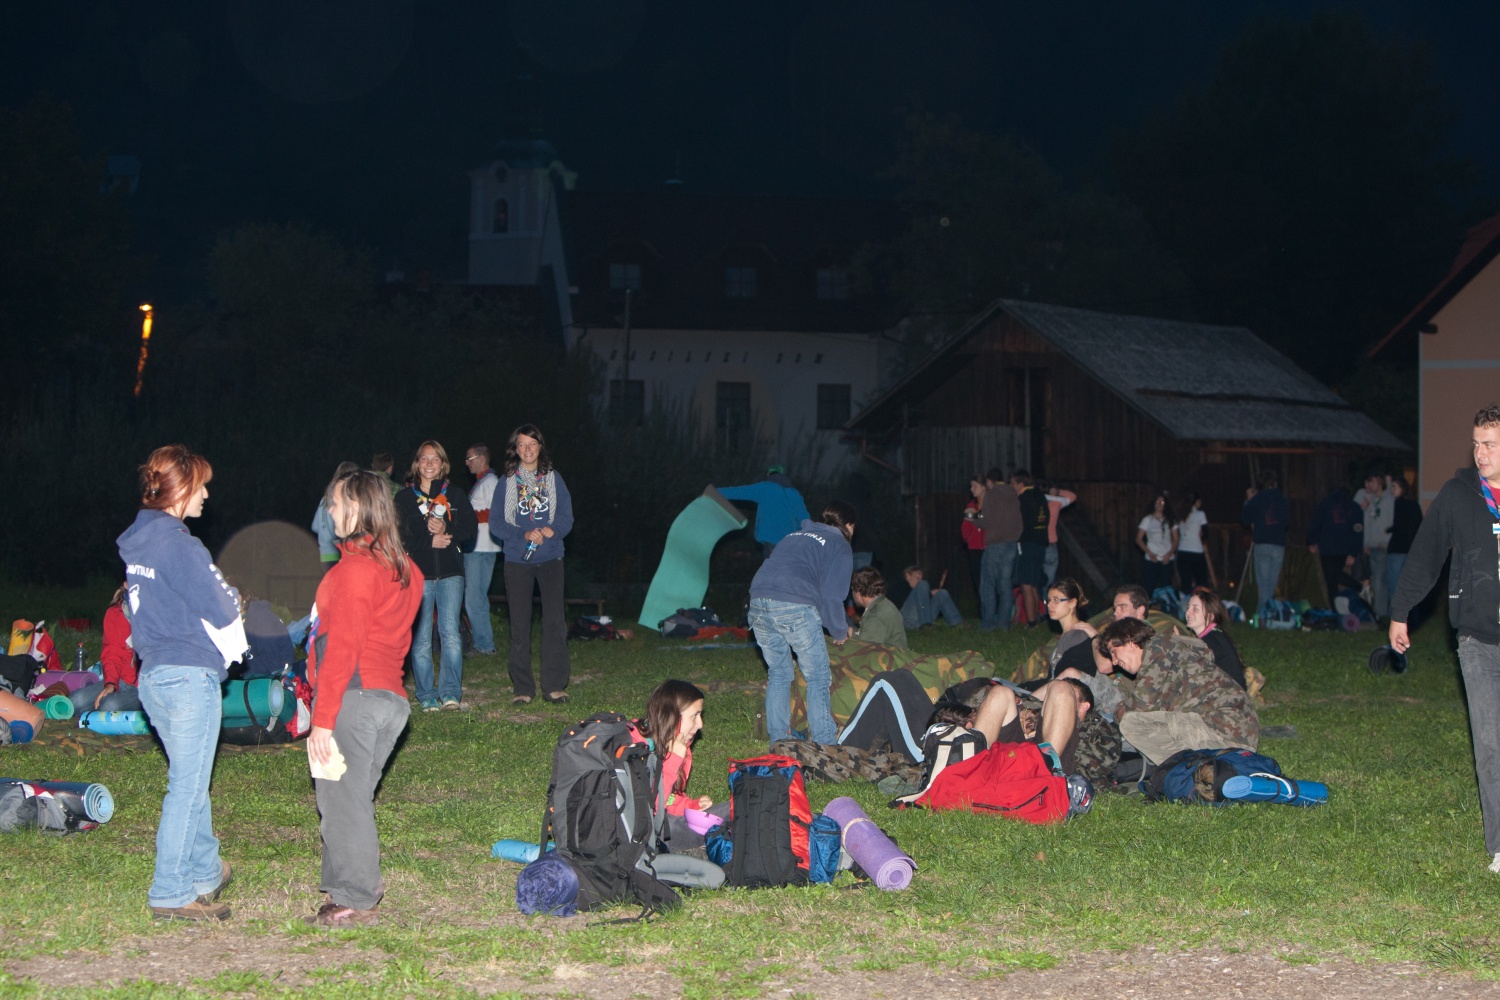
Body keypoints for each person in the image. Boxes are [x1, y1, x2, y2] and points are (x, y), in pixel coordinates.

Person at [118, 444, 246, 921]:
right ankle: (171, 891)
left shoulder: (140, 542)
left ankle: (206, 870)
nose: (207, 494)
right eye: (202, 485)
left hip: (154, 675)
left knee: (189, 779)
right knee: (187, 787)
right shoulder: (180, 544)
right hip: (189, 676)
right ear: (182, 490)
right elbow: (222, 607)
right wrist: (232, 597)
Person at [304, 468, 425, 927]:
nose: (329, 511)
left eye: (333, 503)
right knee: (345, 798)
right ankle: (340, 888)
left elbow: (344, 646)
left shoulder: (355, 569)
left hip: (353, 695)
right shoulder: (404, 568)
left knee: (344, 799)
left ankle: (353, 897)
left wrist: (323, 716)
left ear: (355, 507)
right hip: (388, 698)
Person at [1390, 403, 1500, 874]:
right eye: (1476, 443)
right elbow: (1425, 554)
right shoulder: (1458, 495)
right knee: (1490, 742)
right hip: (1477, 639)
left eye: (1490, 444)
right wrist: (1400, 613)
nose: (1480, 453)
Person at [748, 500, 857, 745]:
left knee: (779, 672)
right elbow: (831, 596)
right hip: (792, 604)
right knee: (817, 676)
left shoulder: (794, 535)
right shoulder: (840, 544)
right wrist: (840, 630)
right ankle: (825, 742)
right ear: (848, 525)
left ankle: (779, 740)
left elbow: (810, 587)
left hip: (758, 599)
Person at [1097, 616, 1259, 765]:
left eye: (1114, 652)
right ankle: (1190, 767)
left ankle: (1184, 769)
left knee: (1132, 723)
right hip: (1234, 733)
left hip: (1224, 733)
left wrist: (1119, 711)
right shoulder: (1169, 650)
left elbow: (1140, 708)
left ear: (1129, 640)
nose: (1114, 661)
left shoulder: (1158, 649)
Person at [490, 424, 575, 705]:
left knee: (554, 622)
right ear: (515, 449)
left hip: (550, 558)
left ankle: (554, 685)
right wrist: (522, 533)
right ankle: (523, 688)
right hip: (517, 560)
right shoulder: (507, 481)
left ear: (540, 446)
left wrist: (554, 529)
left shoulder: (554, 478)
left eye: (532, 444)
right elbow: (496, 523)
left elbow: (566, 516)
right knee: (520, 624)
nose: (527, 449)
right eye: (522, 445)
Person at [395, 441, 477, 712]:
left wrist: (447, 527)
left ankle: (451, 692)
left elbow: (470, 530)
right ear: (417, 464)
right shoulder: (404, 499)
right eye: (424, 459)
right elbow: (399, 537)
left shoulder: (454, 493)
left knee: (450, 632)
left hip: (451, 573)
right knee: (420, 637)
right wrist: (428, 543)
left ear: (443, 464)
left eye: (435, 459)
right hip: (419, 574)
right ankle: (426, 694)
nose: (429, 464)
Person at [68, 585, 143, 714]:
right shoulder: (115, 612)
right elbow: (112, 653)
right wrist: (111, 684)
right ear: (125, 583)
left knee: (110, 707)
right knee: (75, 701)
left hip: (144, 686)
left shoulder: (154, 610)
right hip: (122, 680)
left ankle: (145, 708)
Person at [719, 466, 812, 557]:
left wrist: (716, 491)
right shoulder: (794, 494)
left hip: (771, 540)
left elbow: (739, 492)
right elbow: (804, 520)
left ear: (768, 475)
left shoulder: (765, 488)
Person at [462, 443, 501, 657]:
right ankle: (484, 643)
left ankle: (484, 645)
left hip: (481, 546)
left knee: (473, 597)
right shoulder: (483, 483)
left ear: (481, 458)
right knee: (478, 596)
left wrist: (463, 517)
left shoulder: (491, 481)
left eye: (470, 458)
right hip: (481, 545)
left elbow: (495, 513)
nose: (466, 463)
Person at [975, 467, 1022, 631]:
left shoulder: (992, 494)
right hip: (1011, 545)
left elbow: (985, 521)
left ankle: (988, 625)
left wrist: (972, 518)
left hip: (995, 544)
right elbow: (1019, 522)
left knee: (987, 585)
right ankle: (1004, 625)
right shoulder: (1012, 493)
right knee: (1005, 586)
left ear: (989, 481)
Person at [1241, 470, 1290, 619]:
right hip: (1278, 544)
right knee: (1272, 580)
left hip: (1263, 543)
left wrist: (1248, 501)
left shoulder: (1258, 499)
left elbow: (1244, 519)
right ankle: (1268, 611)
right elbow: (1286, 522)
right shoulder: (1282, 500)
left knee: (1263, 581)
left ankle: (1263, 613)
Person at [1307, 484, 1365, 608]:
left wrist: (1312, 541)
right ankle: (1354, 591)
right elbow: (1358, 531)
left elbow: (1316, 523)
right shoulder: (1353, 507)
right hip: (1344, 548)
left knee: (1331, 580)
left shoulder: (1326, 504)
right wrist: (1354, 552)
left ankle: (1338, 607)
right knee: (1334, 576)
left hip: (1327, 548)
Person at [1182, 587, 1247, 689]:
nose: (1188, 613)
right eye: (1188, 607)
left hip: (1230, 698)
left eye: (1195, 609)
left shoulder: (1211, 640)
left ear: (1210, 616)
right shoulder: (1214, 634)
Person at [1355, 472, 1395, 620]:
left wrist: (1388, 482)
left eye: (1371, 482)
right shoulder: (1370, 500)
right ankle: (1378, 611)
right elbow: (1366, 521)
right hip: (1371, 547)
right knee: (1374, 580)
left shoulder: (1387, 500)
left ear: (1379, 483)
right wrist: (1365, 543)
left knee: (1380, 580)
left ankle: (1381, 613)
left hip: (1383, 546)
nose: (1368, 485)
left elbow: (1391, 496)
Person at [1012, 470, 1049, 627]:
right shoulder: (1040, 496)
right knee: (1034, 582)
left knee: (1026, 583)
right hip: (1041, 543)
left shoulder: (1022, 499)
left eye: (1013, 484)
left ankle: (1031, 622)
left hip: (1027, 543)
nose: (1012, 487)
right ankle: (1037, 617)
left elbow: (1018, 523)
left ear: (1020, 484)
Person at [311, 463, 359, 574]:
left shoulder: (324, 499)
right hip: (338, 553)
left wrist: (324, 532)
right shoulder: (341, 499)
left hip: (324, 555)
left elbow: (314, 526)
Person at [1386, 476, 1423, 614]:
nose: (1391, 490)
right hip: (1409, 550)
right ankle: (1411, 615)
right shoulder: (1413, 505)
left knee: (1395, 585)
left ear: (1402, 489)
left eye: (1394, 487)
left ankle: (1396, 616)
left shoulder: (1398, 504)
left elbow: (1399, 525)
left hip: (1399, 549)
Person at [851, 566, 907, 648]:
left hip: (888, 659)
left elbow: (865, 651)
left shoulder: (876, 616)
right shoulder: (883, 603)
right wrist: (851, 632)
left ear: (858, 592)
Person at [1136, 492, 1178, 595]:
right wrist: (1149, 553)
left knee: (1166, 588)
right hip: (1152, 559)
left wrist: (1169, 554)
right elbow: (1138, 539)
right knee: (1149, 587)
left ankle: (1166, 609)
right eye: (1157, 501)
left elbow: (1176, 539)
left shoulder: (1170, 520)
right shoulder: (1148, 519)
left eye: (1162, 502)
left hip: (1166, 559)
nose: (1159, 504)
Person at [897, 566, 963, 631]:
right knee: (923, 584)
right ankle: (926, 624)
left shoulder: (920, 588)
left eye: (921, 575)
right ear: (908, 575)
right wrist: (930, 593)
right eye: (917, 574)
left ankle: (956, 623)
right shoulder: (901, 584)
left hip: (919, 621)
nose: (920, 577)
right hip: (907, 620)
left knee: (942, 593)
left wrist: (932, 594)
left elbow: (922, 600)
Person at [1041, 483, 1077, 588]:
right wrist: (1059, 492)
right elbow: (1072, 496)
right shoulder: (1057, 503)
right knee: (1049, 582)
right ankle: (1046, 602)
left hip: (1038, 544)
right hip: (1050, 544)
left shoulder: (1039, 502)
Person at [1176, 493, 1211, 593]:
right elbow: (1206, 533)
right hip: (1196, 552)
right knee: (1201, 581)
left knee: (1186, 583)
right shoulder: (1200, 514)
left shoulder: (1181, 514)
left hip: (1183, 552)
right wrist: (1202, 538)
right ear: (1196, 502)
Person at [961, 477, 986, 603]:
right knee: (978, 580)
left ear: (983, 487)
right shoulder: (971, 505)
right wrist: (967, 538)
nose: (971, 489)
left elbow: (987, 521)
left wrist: (975, 516)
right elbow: (966, 524)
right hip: (974, 548)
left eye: (974, 486)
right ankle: (983, 613)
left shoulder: (992, 503)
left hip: (989, 547)